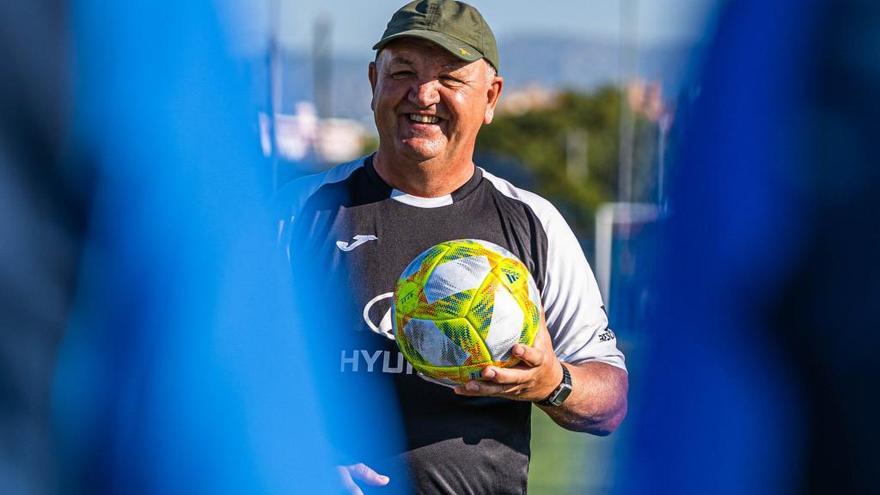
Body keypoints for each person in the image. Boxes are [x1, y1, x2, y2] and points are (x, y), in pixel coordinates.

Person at [277, 1, 628, 493]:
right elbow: (217, 368)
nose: (423, 94)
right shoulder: (295, 214)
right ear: (373, 81)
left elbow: (610, 401)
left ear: (491, 97)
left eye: (451, 77)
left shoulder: (533, 223)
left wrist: (552, 382)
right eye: (402, 71)